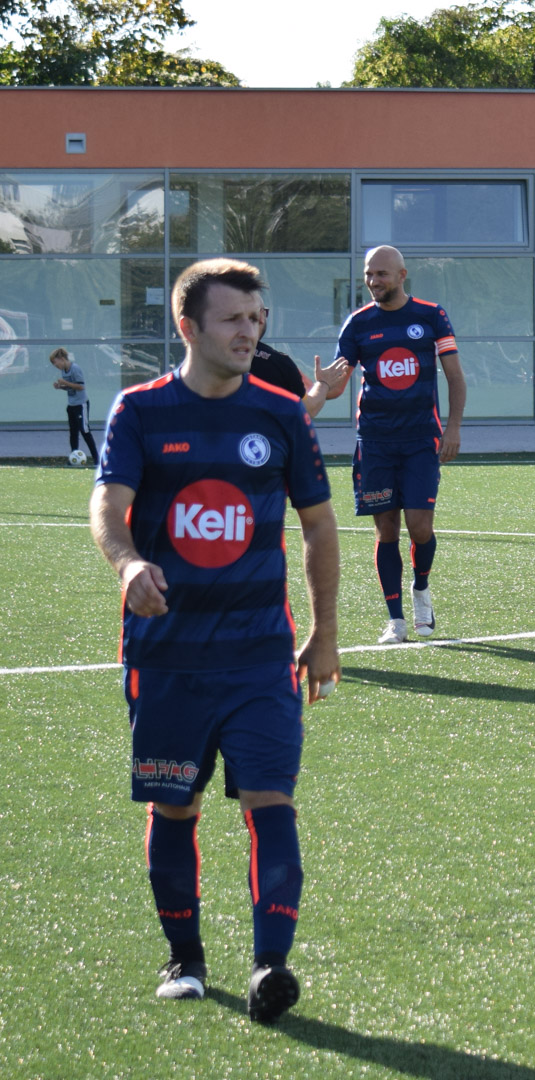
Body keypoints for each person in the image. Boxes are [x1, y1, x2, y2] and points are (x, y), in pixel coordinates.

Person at [88, 258, 339, 1023]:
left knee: (272, 802)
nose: (249, 331)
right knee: (175, 807)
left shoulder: (283, 414)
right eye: (233, 318)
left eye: (256, 318)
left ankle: (271, 966)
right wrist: (128, 564)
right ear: (188, 327)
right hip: (168, 658)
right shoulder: (140, 412)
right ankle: (186, 959)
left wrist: (326, 631)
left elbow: (319, 524)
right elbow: (108, 506)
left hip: (261, 655)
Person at [336, 245, 467, 644]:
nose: (373, 280)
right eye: (369, 274)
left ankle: (421, 588)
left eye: (381, 274)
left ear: (401, 275)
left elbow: (455, 377)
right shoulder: (357, 324)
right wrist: (322, 385)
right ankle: (396, 620)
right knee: (386, 530)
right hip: (375, 442)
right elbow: (337, 382)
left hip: (420, 439)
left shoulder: (431, 316)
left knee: (420, 527)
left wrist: (453, 429)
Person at [252, 305, 351, 418]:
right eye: (265, 312)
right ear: (261, 317)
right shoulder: (279, 363)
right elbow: (307, 410)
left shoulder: (231, 360)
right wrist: (323, 384)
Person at [49, 347, 96, 463]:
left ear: (62, 359)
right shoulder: (63, 371)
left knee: (85, 431)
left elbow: (80, 386)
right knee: (73, 432)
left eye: (55, 363)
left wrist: (65, 382)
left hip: (81, 404)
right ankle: (74, 458)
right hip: (71, 405)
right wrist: (60, 387)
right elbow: (70, 387)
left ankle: (97, 459)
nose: (56, 366)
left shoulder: (75, 368)